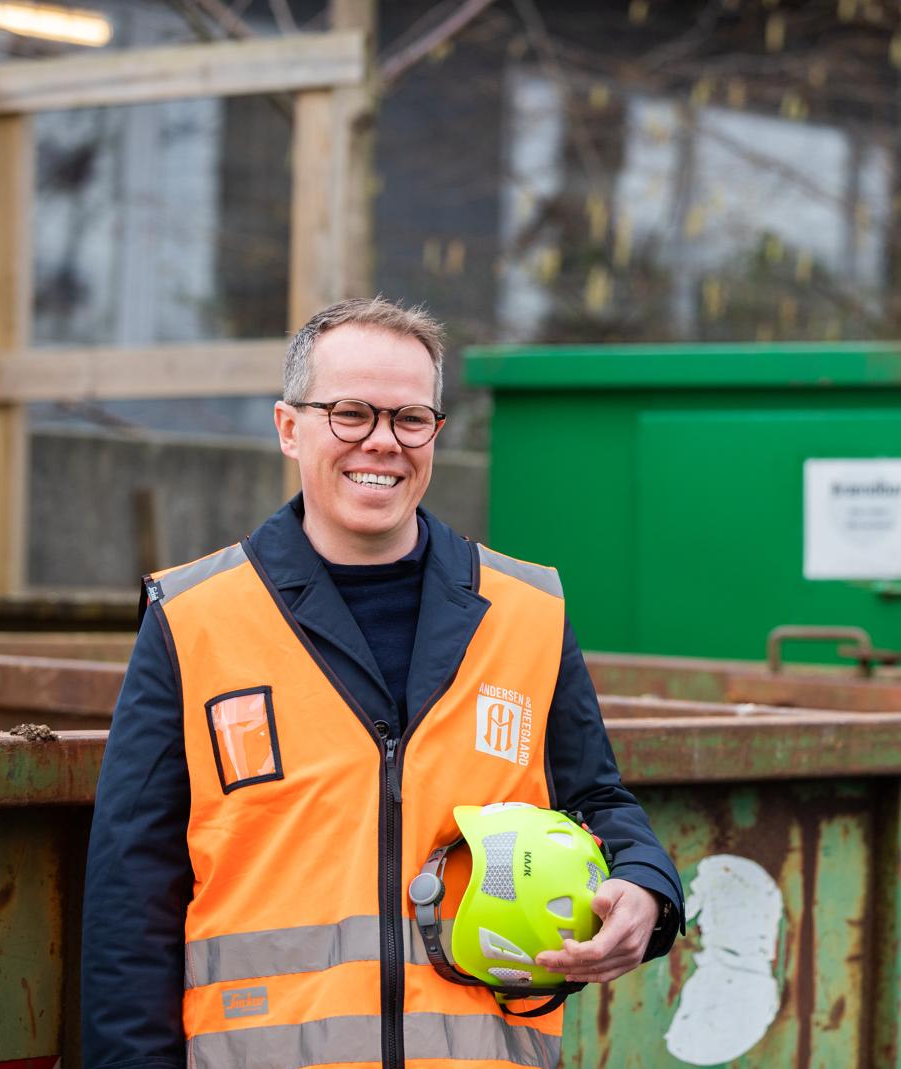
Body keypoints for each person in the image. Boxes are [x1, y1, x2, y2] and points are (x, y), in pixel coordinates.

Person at [81, 296, 684, 1069]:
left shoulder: (527, 612)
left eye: (410, 419)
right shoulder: (193, 619)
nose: (383, 442)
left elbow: (596, 799)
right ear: (288, 426)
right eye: (351, 413)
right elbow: (131, 900)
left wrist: (645, 885)